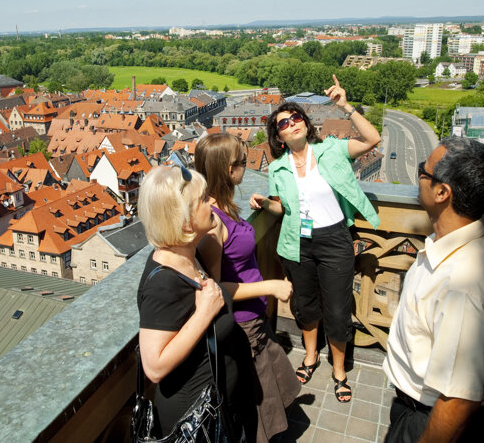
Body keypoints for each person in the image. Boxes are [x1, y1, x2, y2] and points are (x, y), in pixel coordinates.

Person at [250, 74, 381, 403]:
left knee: (337, 311)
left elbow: (372, 139)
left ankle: (339, 371)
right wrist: (264, 204)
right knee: (306, 306)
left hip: (335, 239)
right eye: (283, 123)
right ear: (278, 137)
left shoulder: (332, 150)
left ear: (306, 124)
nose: (291, 124)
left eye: (296, 118)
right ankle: (310, 357)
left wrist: (345, 106)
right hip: (298, 242)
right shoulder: (278, 169)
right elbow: (282, 208)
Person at [382, 138, 484, 443]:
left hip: (425, 420)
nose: (419, 178)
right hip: (413, 407)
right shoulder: (457, 247)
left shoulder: (463, 289)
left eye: (422, 172)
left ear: (442, 192)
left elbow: (458, 400)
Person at [195, 133, 301, 442]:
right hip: (244, 328)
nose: (246, 165)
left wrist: (261, 204)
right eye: (243, 162)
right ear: (228, 170)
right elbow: (214, 289)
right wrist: (270, 285)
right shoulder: (211, 221)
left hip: (254, 321)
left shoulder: (225, 206)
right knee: (260, 417)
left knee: (270, 404)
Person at [136, 164, 254, 438]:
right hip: (194, 421)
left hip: (219, 407)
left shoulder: (188, 256)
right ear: (185, 220)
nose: (212, 201)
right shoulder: (163, 282)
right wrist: (203, 314)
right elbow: (154, 367)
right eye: (203, 199)